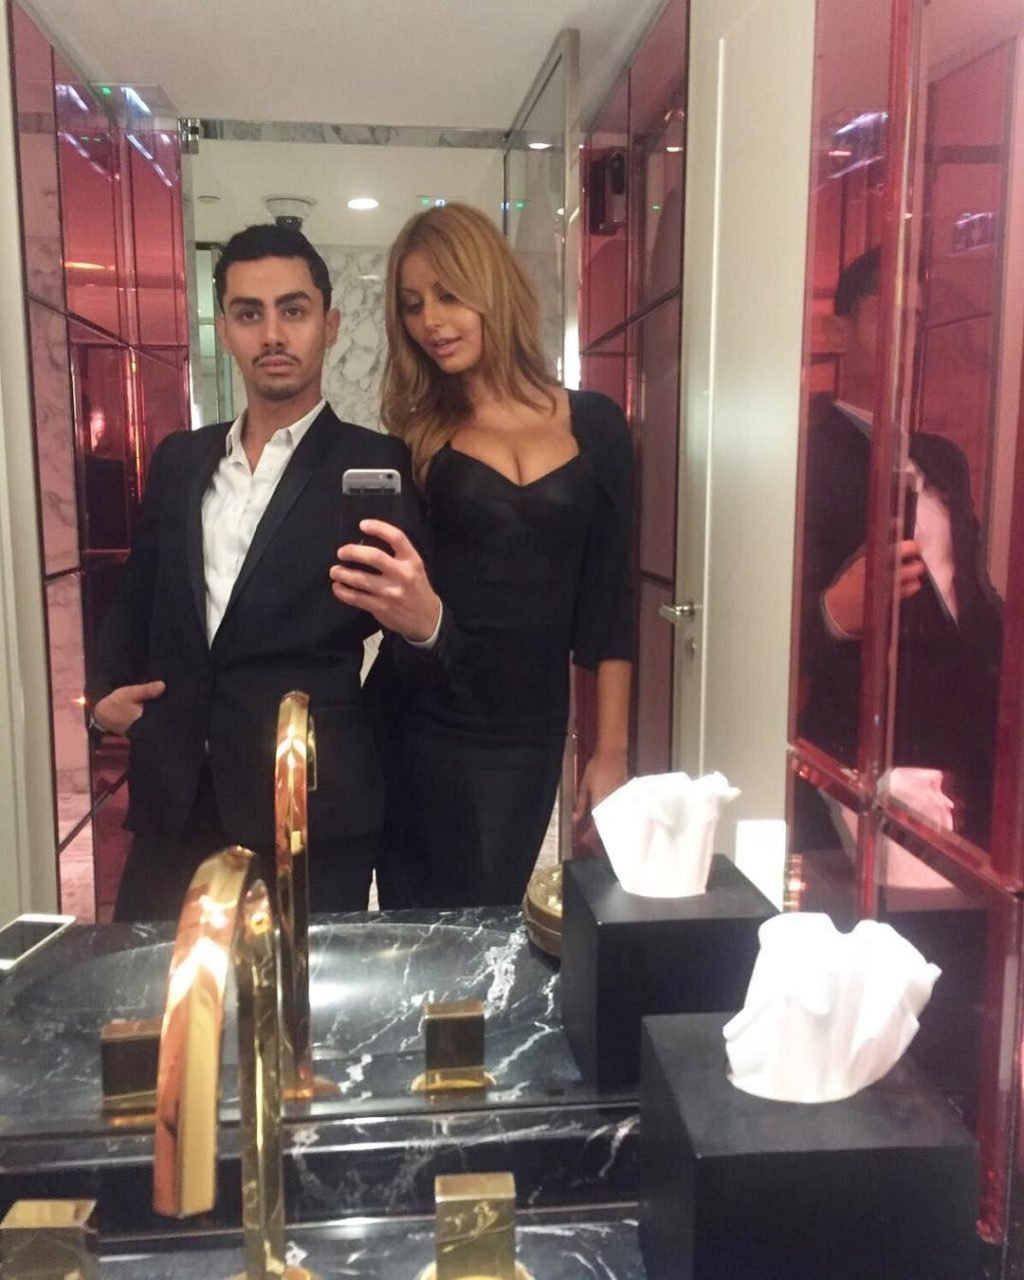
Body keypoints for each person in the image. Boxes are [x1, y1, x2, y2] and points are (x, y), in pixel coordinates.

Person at [88, 223, 442, 921]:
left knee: (300, 985)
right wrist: (102, 696)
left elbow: (418, 647)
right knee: (157, 977)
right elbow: (137, 596)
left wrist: (425, 625)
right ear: (224, 329)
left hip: (308, 799)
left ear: (330, 325)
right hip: (175, 796)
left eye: (293, 310)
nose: (273, 334)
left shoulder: (379, 463)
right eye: (249, 314)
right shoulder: (180, 460)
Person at [330, 202, 634, 908]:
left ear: (491, 288)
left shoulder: (596, 423)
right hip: (421, 721)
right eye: (412, 305)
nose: (431, 322)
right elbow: (410, 608)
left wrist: (611, 749)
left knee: (493, 906)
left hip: (529, 727)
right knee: (422, 921)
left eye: (448, 295)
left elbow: (609, 597)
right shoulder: (419, 438)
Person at [797, 246, 1003, 848]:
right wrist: (831, 613)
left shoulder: (942, 459)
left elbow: (971, 591)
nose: (904, 340)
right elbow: (758, 619)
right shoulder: (807, 454)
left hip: (966, 734)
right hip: (861, 738)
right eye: (887, 318)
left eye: (914, 322)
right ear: (839, 332)